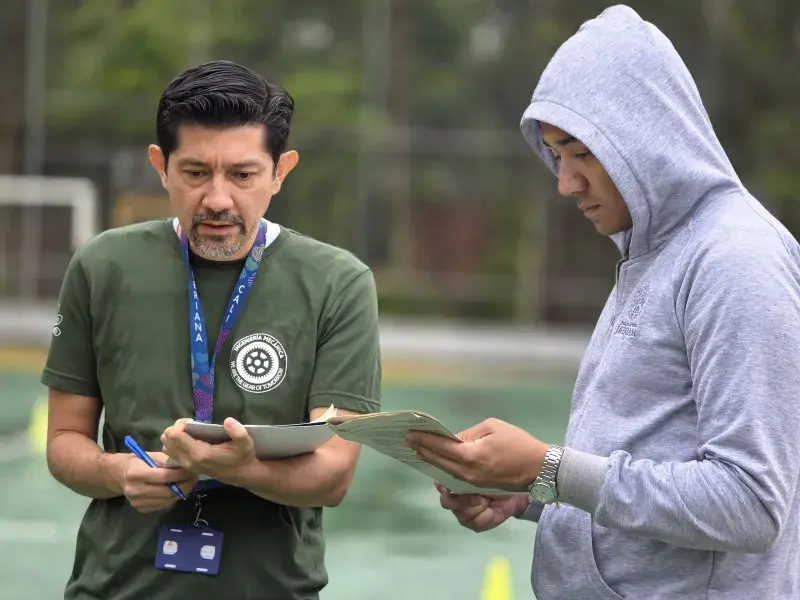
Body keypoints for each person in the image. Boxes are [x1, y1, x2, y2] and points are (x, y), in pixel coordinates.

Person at [405, 6, 800, 600]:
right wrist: (531, 492)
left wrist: (549, 469)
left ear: (646, 138)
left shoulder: (735, 259)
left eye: (582, 153)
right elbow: (637, 470)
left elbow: (750, 505)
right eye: (557, 156)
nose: (565, 182)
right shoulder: (653, 254)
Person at [43, 60, 381, 600]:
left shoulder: (338, 282)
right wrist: (118, 473)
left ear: (281, 171)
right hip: (116, 589)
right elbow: (64, 442)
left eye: (243, 175)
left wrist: (244, 468)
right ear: (161, 165)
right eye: (196, 173)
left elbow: (335, 473)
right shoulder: (102, 265)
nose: (218, 199)